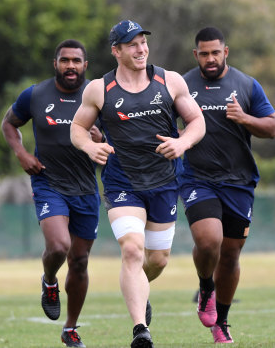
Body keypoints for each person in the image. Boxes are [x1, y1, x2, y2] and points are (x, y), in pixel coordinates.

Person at [70, 20, 205, 348]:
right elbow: (76, 127)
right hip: (122, 184)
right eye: (132, 44)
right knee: (132, 250)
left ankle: (140, 291)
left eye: (143, 41)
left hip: (164, 182)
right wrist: (90, 146)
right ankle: (140, 330)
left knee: (156, 260)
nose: (141, 48)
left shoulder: (169, 81)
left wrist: (182, 143)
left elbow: (197, 121)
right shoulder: (99, 89)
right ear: (116, 50)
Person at [180, 27, 275, 344]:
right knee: (210, 241)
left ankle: (221, 322)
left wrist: (244, 118)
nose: (210, 58)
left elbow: (273, 127)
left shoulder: (247, 85)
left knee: (231, 255)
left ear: (226, 52)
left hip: (238, 182)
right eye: (204, 53)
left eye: (215, 52)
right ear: (196, 55)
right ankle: (205, 285)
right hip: (197, 178)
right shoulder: (181, 85)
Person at [1, 39, 102, 347]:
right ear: (55, 63)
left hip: (85, 188)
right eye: (64, 60)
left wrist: (101, 137)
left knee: (80, 261)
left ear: (85, 66)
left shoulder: (98, 97)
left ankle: (70, 329)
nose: (70, 65)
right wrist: (21, 153)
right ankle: (49, 281)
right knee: (59, 247)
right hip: (49, 183)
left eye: (76, 61)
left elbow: (116, 137)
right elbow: (9, 123)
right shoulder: (35, 94)